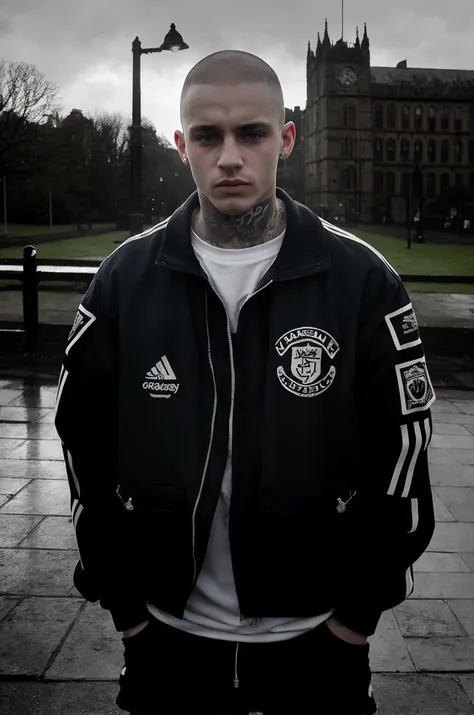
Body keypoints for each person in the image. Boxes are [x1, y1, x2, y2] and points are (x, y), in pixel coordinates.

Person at [55, 50, 436, 715]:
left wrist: (353, 621)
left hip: (317, 641)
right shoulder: (124, 280)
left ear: (286, 138)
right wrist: (127, 612)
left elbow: (402, 458)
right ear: (183, 146)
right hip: (167, 639)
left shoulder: (363, 281)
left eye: (251, 133)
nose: (230, 156)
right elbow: (81, 443)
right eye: (208, 135)